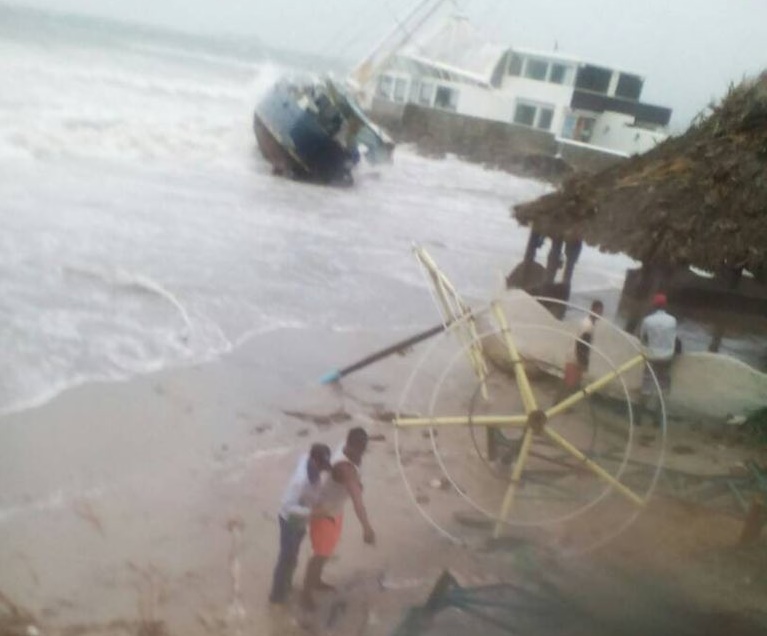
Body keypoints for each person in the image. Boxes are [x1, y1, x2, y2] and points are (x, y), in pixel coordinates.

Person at [301, 427, 375, 610]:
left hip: (335, 510)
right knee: (320, 555)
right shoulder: (344, 468)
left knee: (326, 551)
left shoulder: (347, 449)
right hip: (324, 513)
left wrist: (359, 482)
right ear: (350, 445)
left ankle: (316, 581)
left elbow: (356, 483)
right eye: (358, 449)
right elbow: (358, 500)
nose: (360, 453)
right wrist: (367, 528)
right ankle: (306, 592)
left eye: (363, 449)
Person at [269, 443, 331, 604]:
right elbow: (287, 506)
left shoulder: (307, 460)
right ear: (314, 461)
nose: (323, 470)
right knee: (286, 556)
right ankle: (276, 595)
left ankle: (287, 585)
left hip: (302, 518)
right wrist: (312, 513)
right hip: (289, 519)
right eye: (322, 466)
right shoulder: (300, 481)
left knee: (294, 555)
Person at [638, 292, 678, 426]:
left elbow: (642, 338)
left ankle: (638, 416)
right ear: (665, 305)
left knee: (646, 387)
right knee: (663, 389)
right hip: (667, 357)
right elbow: (674, 338)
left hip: (652, 357)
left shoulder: (647, 320)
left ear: (654, 305)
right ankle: (657, 419)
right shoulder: (672, 320)